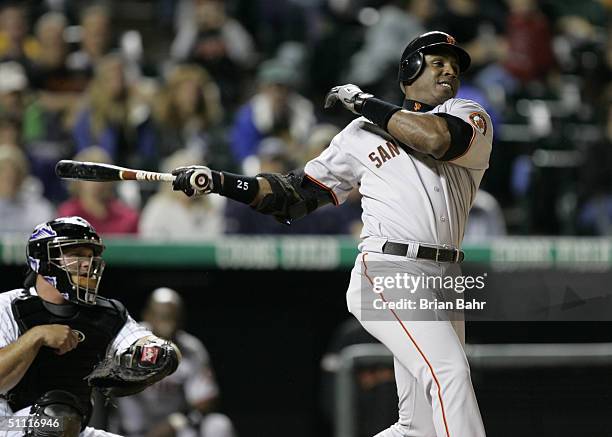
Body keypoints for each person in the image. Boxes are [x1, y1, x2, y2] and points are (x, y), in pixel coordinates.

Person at [171, 30, 492, 436]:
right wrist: (220, 181)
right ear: (409, 69)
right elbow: (291, 195)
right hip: (390, 266)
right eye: (437, 61)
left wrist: (364, 102)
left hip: (446, 275)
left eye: (455, 65)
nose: (449, 70)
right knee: (450, 376)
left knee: (421, 426)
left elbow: (434, 140)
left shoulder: (468, 114)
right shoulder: (359, 134)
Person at [0, 216, 182, 436]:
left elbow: (151, 345)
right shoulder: (8, 306)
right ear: (43, 259)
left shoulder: (107, 313)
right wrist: (36, 336)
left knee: (62, 420)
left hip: (73, 427)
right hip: (8, 423)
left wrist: (158, 353)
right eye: (76, 254)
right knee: (56, 419)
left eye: (91, 256)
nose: (88, 263)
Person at [112, 287, 235, 437]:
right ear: (147, 315)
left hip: (173, 428)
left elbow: (204, 401)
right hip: (131, 429)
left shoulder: (191, 349)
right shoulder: (128, 341)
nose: (168, 323)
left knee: (218, 425)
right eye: (162, 316)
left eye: (172, 317)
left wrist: (176, 422)